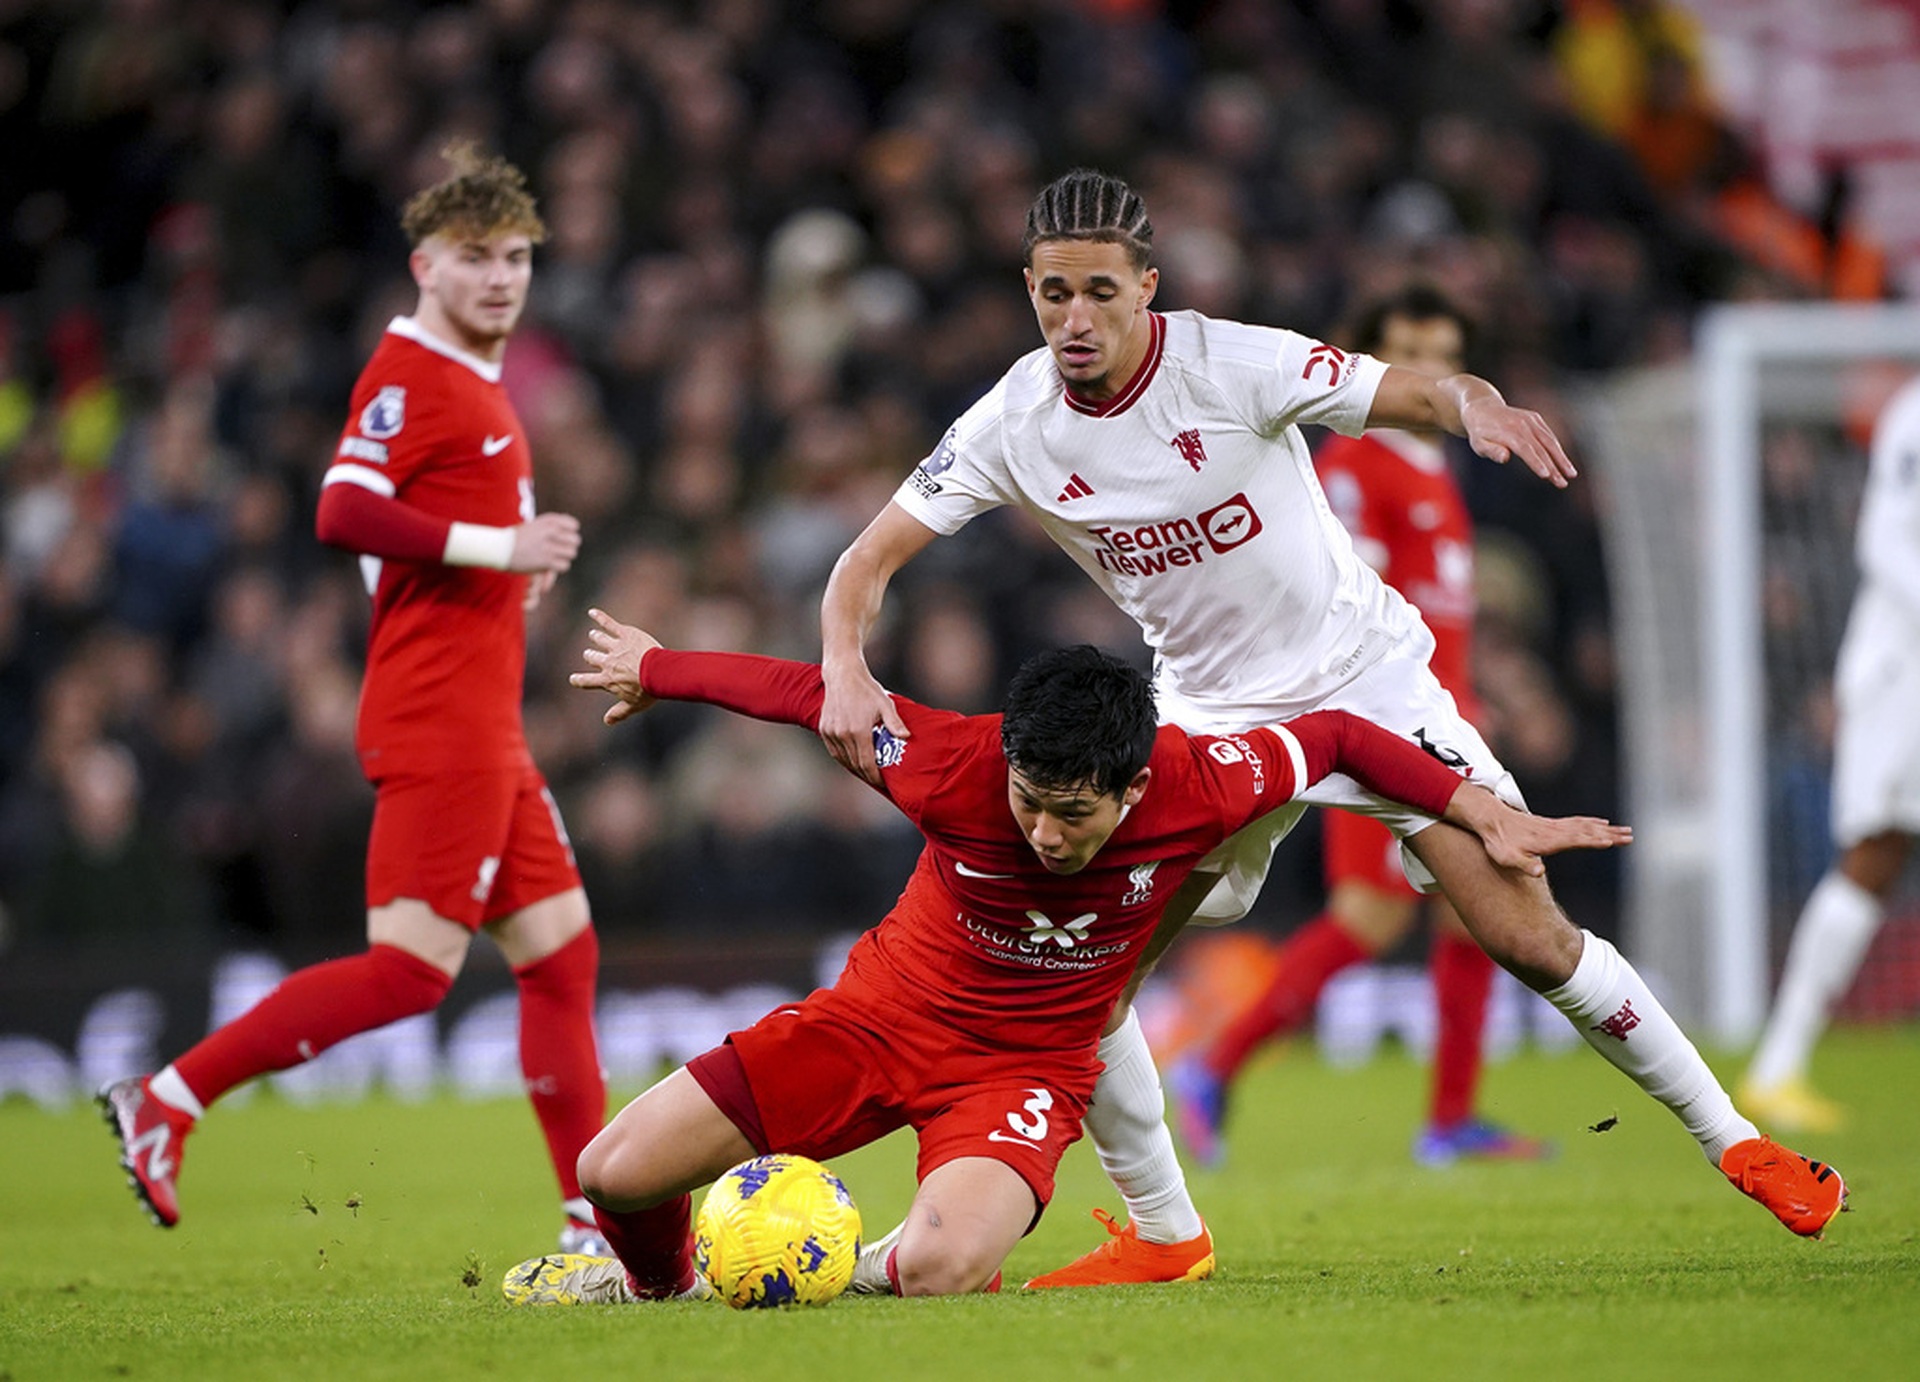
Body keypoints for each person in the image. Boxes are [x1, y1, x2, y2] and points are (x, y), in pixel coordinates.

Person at [816, 167, 1847, 1286]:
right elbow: (866, 559)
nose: (1076, 318)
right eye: (1054, 292)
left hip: (1366, 681)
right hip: (1208, 719)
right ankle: (1168, 1236)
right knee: (1093, 980)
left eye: (1101, 292)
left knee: (1524, 929)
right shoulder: (1011, 421)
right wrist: (841, 662)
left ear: (1147, 289)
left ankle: (1738, 1142)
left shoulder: (1225, 361)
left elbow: (1402, 390)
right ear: (1028, 287)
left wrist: (1475, 401)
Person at [499, 609, 1626, 1304]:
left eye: (1072, 815)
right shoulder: (950, 761)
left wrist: (1479, 806)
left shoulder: (1199, 781)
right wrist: (661, 665)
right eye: (1030, 804)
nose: (1044, 831)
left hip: (1023, 1073)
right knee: (613, 1171)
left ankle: (822, 1255)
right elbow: (810, 695)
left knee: (945, 1267)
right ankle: (656, 1286)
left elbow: (1335, 737)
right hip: (874, 1019)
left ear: (1134, 788)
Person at [99, 145, 610, 1255]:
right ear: (425, 265)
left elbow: (398, 554)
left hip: (481, 716)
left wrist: (493, 573)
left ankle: (590, 1218)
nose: (501, 278)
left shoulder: (469, 383)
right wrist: (500, 544)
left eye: (517, 257)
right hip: (440, 718)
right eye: (476, 258)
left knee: (562, 955)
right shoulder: (411, 374)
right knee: (409, 972)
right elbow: (341, 507)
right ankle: (167, 1098)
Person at [1169, 285, 1550, 1169]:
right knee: (1372, 916)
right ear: (1373, 360)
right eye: (1408, 350)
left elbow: (1442, 608)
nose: (1428, 370)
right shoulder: (1353, 465)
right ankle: (1214, 1065)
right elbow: (1345, 605)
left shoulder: (1434, 463)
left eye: (1443, 350)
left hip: (1441, 711)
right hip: (1381, 718)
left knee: (1471, 910)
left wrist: (1475, 697)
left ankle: (1451, 1118)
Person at [1742, 372, 1920, 1133]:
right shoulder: (1916, 414)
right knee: (1877, 850)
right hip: (1904, 670)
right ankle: (1777, 1068)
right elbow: (1886, 539)